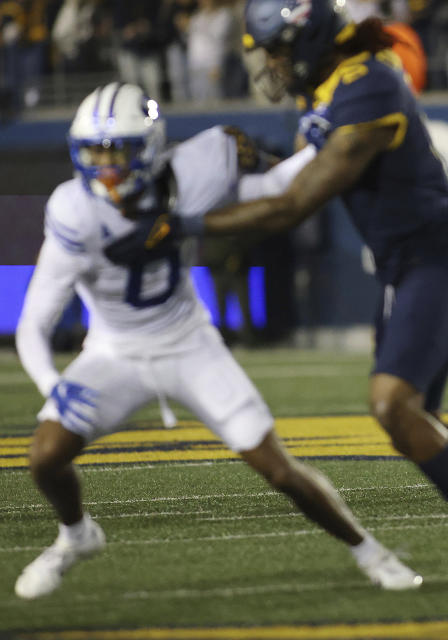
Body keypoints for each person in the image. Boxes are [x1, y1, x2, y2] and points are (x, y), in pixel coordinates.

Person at [105, 1, 448, 591]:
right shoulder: (332, 87)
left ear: (308, 41)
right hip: (406, 265)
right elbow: (303, 172)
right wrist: (258, 160)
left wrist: (180, 226)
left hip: (436, 260)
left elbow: (297, 201)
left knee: (392, 405)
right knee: (414, 420)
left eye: (280, 50)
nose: (274, 64)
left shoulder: (368, 85)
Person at [13, 82, 422, 599]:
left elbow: (273, 186)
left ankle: (371, 552)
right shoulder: (74, 208)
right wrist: (51, 382)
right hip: (113, 353)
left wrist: (324, 148)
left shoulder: (193, 171)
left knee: (278, 468)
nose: (106, 165)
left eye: (118, 150)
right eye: (95, 151)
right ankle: (76, 536)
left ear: (151, 146)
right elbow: (33, 323)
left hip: (188, 343)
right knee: (45, 456)